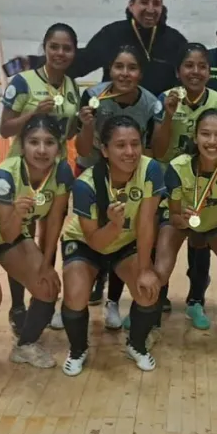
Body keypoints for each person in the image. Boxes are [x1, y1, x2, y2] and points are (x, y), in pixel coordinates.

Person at [0, 115, 73, 373]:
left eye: (49, 142)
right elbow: (7, 232)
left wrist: (46, 265)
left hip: (12, 231)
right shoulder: (5, 175)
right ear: (22, 145)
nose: (42, 150)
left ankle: (25, 346)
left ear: (59, 147)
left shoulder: (62, 172)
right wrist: (19, 214)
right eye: (34, 142)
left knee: (48, 286)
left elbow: (54, 222)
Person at [59, 115, 165, 376]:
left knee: (149, 289)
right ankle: (78, 349)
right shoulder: (85, 185)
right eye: (120, 145)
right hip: (86, 244)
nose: (130, 152)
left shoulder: (151, 169)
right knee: (75, 294)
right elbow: (95, 241)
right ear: (105, 150)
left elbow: (146, 223)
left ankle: (136, 345)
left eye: (135, 144)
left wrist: (145, 269)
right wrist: (115, 226)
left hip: (124, 243)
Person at [74, 45, 164, 326]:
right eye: (119, 66)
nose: (125, 73)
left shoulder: (151, 104)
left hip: (128, 173)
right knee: (97, 231)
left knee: (125, 233)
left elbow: (154, 150)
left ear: (141, 73)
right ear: (109, 69)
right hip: (93, 173)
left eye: (132, 67)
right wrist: (86, 125)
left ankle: (113, 300)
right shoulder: (92, 96)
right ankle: (88, 288)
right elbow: (82, 148)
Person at [0, 23, 80, 332]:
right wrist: (32, 114)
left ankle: (42, 299)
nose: (60, 53)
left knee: (50, 237)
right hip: (24, 172)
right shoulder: (22, 82)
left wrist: (83, 122)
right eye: (54, 46)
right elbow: (4, 129)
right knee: (22, 238)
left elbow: (69, 131)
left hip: (56, 172)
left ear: (74, 53)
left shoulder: (72, 86)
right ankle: (18, 306)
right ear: (44, 48)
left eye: (67, 48)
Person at [150, 43, 217, 326]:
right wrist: (169, 116)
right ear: (178, 71)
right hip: (170, 184)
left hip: (205, 184)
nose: (195, 71)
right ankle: (157, 299)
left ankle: (196, 300)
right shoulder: (165, 99)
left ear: (209, 71)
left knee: (200, 242)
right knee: (163, 243)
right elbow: (159, 151)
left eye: (202, 66)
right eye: (189, 65)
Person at [155, 109, 217, 334]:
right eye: (205, 134)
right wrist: (183, 221)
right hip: (180, 222)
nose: (212, 141)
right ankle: (149, 325)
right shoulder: (178, 167)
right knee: (161, 270)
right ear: (195, 137)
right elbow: (174, 216)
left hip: (216, 223)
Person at [24, 0, 188, 97]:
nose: (150, 9)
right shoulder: (112, 34)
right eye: (144, 2)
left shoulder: (175, 40)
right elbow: (81, 62)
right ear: (131, 5)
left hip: (160, 119)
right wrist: (32, 64)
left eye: (156, 3)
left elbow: (187, 76)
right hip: (114, 115)